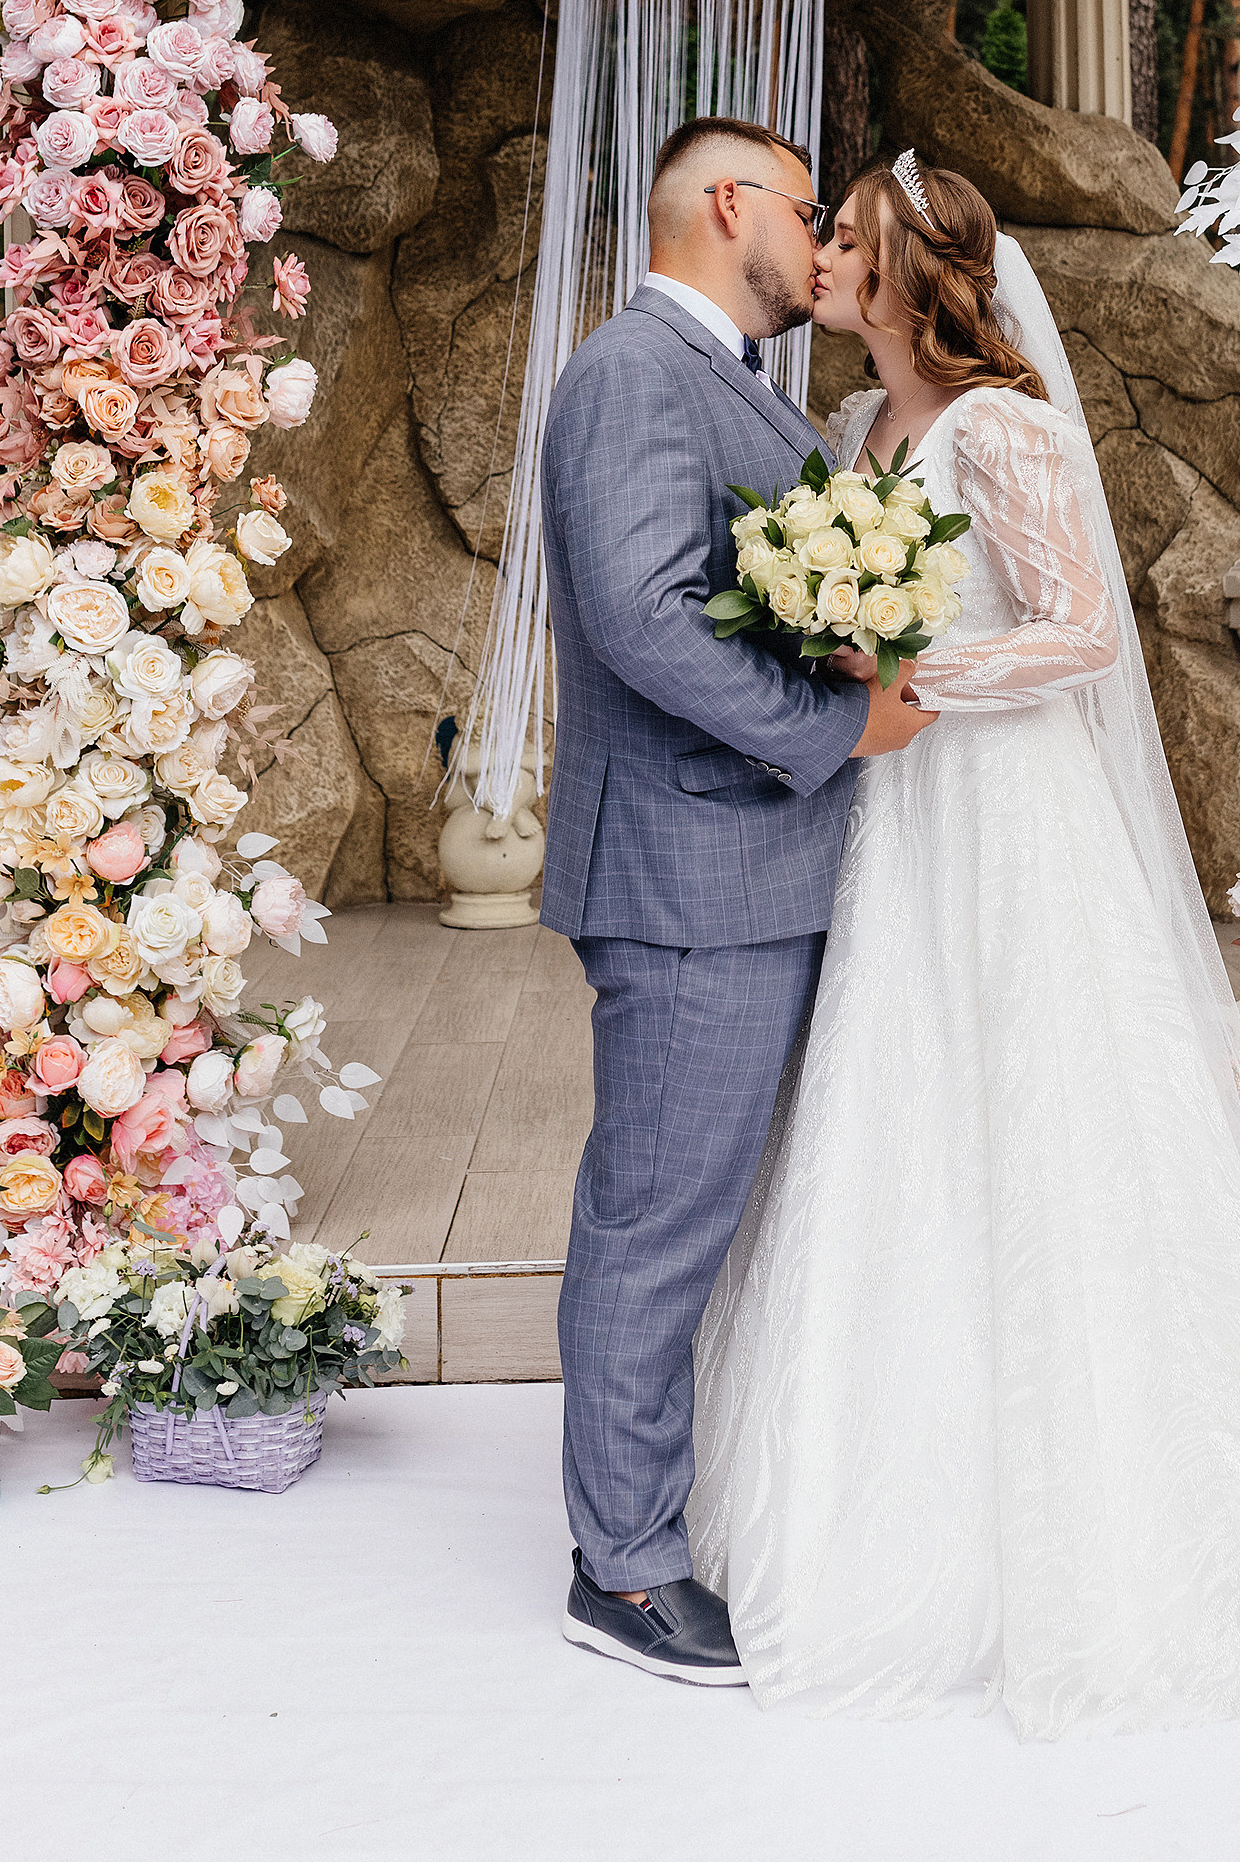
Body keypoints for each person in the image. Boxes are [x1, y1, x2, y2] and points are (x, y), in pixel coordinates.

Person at [686, 150, 1240, 1737]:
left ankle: (1116, 1520)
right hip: (898, 821)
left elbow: (1084, 626)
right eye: (817, 231)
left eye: (847, 237)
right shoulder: (852, 426)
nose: (821, 254)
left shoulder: (1004, 427)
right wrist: (843, 654)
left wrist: (918, 676)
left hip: (1005, 807)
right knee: (898, 1101)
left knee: (1047, 1107)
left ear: (912, 272)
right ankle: (874, 1506)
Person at [540, 115, 937, 1689]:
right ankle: (622, 1568)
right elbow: (641, 619)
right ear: (726, 206)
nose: (824, 241)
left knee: (716, 1218)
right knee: (654, 1222)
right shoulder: (636, 374)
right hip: (695, 871)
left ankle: (676, 1512)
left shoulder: (731, 388)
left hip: (756, 868)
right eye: (805, 208)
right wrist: (836, 726)